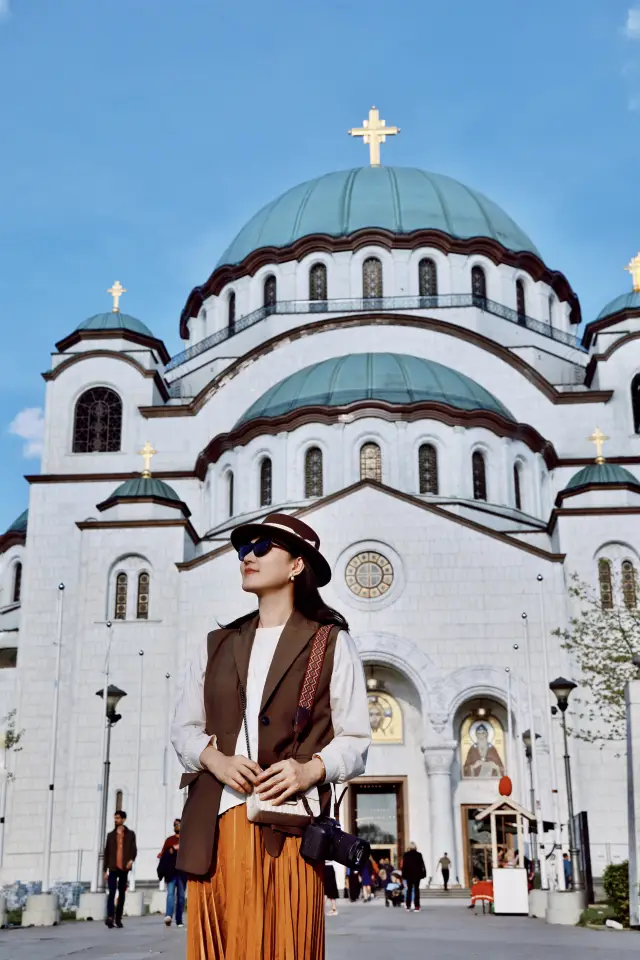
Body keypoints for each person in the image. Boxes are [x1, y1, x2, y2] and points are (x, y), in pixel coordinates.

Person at [172, 513, 371, 960]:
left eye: (263, 548)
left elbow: (356, 739)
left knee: (283, 946)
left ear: (297, 565)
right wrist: (216, 760)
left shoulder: (330, 642)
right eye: (244, 550)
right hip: (215, 826)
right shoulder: (216, 643)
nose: (248, 557)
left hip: (286, 829)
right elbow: (183, 728)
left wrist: (311, 769)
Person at [103, 810, 137, 929]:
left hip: (124, 868)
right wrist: (104, 870)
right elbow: (106, 853)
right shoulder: (110, 835)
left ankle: (118, 918)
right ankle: (110, 917)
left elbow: (134, 850)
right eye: (115, 818)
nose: (115, 820)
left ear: (123, 819)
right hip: (113, 867)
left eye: (118, 818)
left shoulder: (130, 834)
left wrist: (130, 861)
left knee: (121, 894)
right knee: (111, 892)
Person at [157, 819, 185, 928]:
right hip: (171, 872)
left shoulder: (186, 840)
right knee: (170, 894)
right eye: (175, 825)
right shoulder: (169, 840)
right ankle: (168, 916)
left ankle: (179, 920)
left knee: (181, 897)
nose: (177, 826)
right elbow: (163, 854)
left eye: (178, 824)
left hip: (182, 872)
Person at [401, 842, 426, 911]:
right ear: (415, 847)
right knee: (416, 890)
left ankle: (408, 906)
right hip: (417, 875)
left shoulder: (406, 855)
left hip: (408, 875)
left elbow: (404, 866)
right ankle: (417, 906)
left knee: (409, 890)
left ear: (409, 847)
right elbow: (422, 865)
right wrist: (423, 874)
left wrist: (403, 875)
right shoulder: (419, 855)